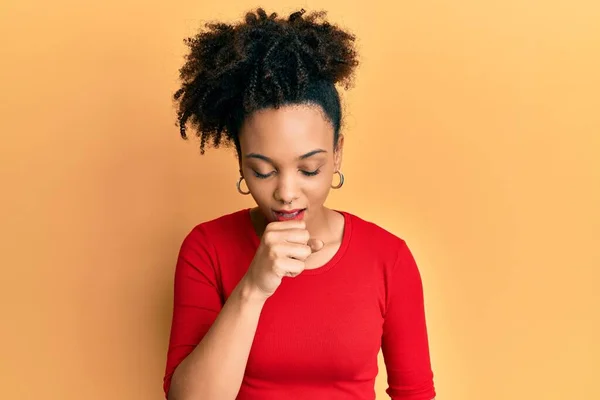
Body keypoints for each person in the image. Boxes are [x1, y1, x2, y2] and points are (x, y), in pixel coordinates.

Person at [162, 7, 436, 400]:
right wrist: (253, 287)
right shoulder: (207, 249)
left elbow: (415, 394)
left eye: (309, 169)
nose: (287, 192)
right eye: (263, 171)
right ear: (240, 159)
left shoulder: (388, 258)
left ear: (337, 154)